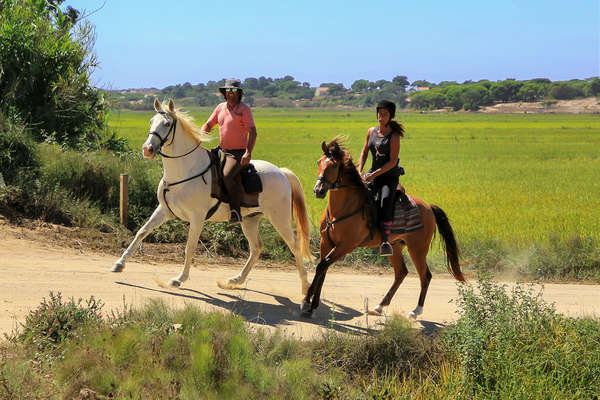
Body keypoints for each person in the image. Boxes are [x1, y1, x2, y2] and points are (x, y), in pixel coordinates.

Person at [201, 78, 257, 225]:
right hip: (222, 150)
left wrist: (248, 153)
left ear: (238, 93)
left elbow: (253, 132)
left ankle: (235, 212)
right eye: (228, 90)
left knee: (227, 176)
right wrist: (198, 136)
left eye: (233, 90)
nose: (230, 93)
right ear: (224, 93)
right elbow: (208, 125)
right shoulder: (220, 107)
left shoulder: (244, 109)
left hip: (238, 153)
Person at [357, 100, 407, 256]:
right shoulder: (371, 131)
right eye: (379, 113)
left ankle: (385, 240)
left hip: (389, 177)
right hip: (372, 173)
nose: (381, 116)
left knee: (385, 201)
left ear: (390, 116)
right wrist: (360, 171)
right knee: (359, 195)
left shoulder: (394, 136)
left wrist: (373, 175)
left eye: (385, 114)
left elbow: (392, 162)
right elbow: (364, 152)